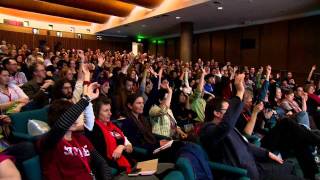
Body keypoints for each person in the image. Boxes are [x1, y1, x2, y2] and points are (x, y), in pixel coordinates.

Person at [200, 72, 301, 180]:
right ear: (217, 113)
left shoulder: (227, 127)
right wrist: (239, 92)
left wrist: (267, 154)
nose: (231, 113)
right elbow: (227, 126)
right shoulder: (208, 129)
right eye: (228, 110)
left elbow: (245, 145)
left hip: (255, 164)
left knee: (291, 165)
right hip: (247, 172)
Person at [36, 82, 112, 180]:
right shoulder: (49, 141)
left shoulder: (80, 138)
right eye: (72, 116)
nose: (76, 120)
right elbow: (61, 126)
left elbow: (101, 162)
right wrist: (86, 99)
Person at [87, 98, 133, 173]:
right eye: (106, 111)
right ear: (96, 113)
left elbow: (123, 139)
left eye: (110, 110)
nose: (110, 113)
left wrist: (122, 146)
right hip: (114, 166)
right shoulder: (95, 129)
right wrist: (122, 147)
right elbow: (101, 156)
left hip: (127, 160)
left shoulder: (112, 125)